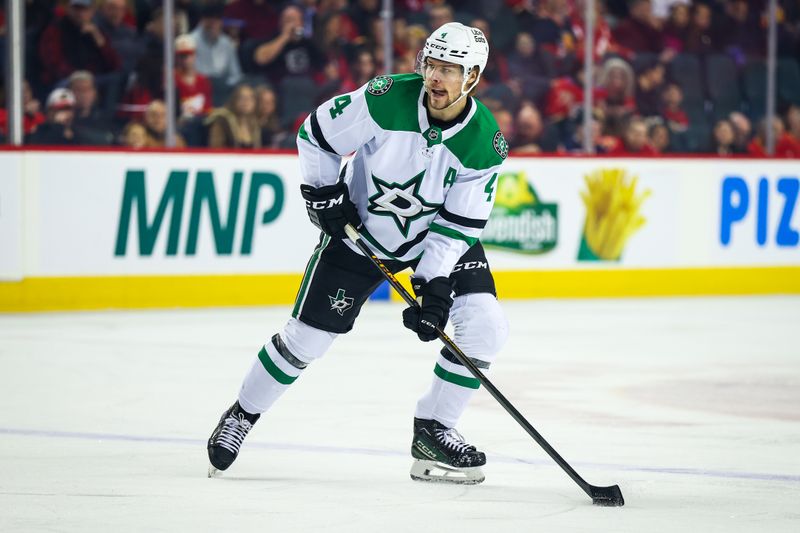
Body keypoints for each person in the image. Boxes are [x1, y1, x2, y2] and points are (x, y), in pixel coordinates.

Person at [207, 22, 509, 485]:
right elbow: (316, 135)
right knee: (305, 341)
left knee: (485, 324)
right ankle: (242, 415)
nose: (436, 77)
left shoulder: (485, 143)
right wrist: (323, 193)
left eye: (450, 69)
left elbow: (456, 226)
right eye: (432, 64)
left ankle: (435, 429)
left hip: (431, 239)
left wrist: (432, 287)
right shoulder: (386, 97)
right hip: (359, 236)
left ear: (471, 77)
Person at [205, 83, 260, 148]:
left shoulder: (254, 123)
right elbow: (216, 149)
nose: (246, 101)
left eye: (250, 98)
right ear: (234, 100)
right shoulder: (222, 121)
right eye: (242, 97)